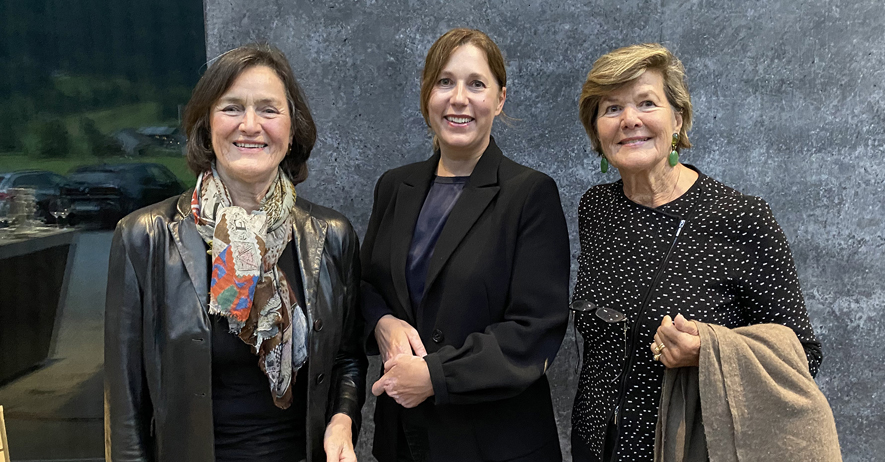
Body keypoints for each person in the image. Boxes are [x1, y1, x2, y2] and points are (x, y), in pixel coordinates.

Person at [104, 43, 367, 462]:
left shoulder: (332, 235)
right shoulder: (145, 236)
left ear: (292, 129)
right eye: (232, 108)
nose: (250, 125)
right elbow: (125, 403)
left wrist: (342, 418)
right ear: (206, 127)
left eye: (268, 109)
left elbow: (347, 358)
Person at [570, 43, 823, 462]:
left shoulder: (742, 218)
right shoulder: (597, 209)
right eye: (611, 108)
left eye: (646, 103)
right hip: (594, 444)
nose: (629, 119)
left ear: (678, 119)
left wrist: (710, 352)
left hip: (691, 451)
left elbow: (803, 358)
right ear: (596, 129)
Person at [360, 28, 571, 462]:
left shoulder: (530, 193)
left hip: (495, 444)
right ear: (427, 95)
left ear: (500, 99)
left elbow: (535, 329)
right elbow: (364, 286)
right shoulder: (394, 187)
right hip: (404, 441)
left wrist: (435, 376)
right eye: (444, 82)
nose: (459, 98)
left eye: (476, 84)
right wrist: (382, 322)